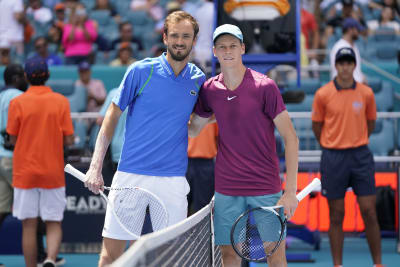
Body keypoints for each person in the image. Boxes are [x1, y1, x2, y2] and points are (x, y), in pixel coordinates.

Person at [84, 11, 205, 267]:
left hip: (172, 180)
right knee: (111, 255)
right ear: (164, 37)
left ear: (194, 40)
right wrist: (95, 167)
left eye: (186, 36)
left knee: (173, 258)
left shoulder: (198, 79)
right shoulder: (140, 71)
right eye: (174, 35)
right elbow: (111, 115)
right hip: (131, 175)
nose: (180, 41)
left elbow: (195, 127)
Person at [189, 24, 299, 267]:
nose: (227, 51)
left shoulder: (265, 87)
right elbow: (194, 129)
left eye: (232, 46)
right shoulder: (210, 90)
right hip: (227, 188)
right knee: (228, 256)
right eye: (222, 47)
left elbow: (291, 138)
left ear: (242, 49)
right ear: (215, 52)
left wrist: (290, 191)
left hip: (265, 186)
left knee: (275, 253)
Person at [312, 47, 383, 267]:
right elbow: (317, 126)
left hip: (360, 155)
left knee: (369, 211)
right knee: (336, 214)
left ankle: (378, 263)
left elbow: (370, 123)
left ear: (354, 65)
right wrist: (332, 144)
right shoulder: (322, 94)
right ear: (336, 66)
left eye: (349, 63)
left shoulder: (366, 93)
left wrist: (355, 139)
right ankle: (337, 265)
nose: (345, 67)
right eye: (341, 63)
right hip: (333, 157)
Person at [6, 58, 74, 267]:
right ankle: (51, 259)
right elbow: (69, 139)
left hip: (25, 172)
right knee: (54, 222)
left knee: (29, 225)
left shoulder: (17, 103)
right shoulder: (61, 101)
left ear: (26, 77)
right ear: (48, 76)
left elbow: (13, 139)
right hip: (52, 172)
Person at [186, 122, 218, 215]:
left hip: (206, 164)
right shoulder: (183, 111)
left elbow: (218, 137)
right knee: (180, 203)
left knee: (202, 207)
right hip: (184, 163)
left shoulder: (212, 114)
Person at [330, 17, 366, 83]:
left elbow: (356, 70)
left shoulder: (354, 45)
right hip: (344, 87)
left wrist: (362, 77)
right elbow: (338, 72)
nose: (359, 32)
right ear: (350, 30)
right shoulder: (339, 47)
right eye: (357, 30)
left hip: (356, 87)